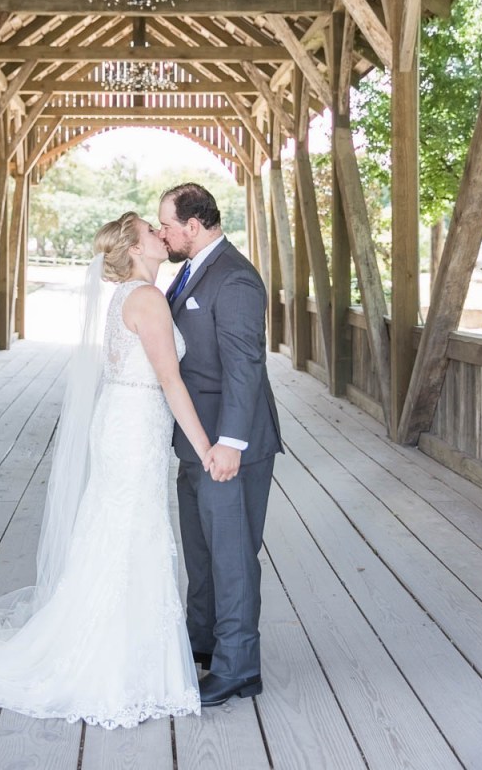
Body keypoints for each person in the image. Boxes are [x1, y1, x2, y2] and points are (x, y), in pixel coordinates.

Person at [0, 212, 214, 730]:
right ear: (135, 248)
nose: (161, 234)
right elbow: (171, 381)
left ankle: (121, 650)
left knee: (117, 530)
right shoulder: (147, 299)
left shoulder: (125, 296)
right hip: (134, 427)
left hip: (123, 420)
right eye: (151, 230)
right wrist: (206, 448)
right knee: (134, 532)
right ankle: (119, 667)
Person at [158, 182, 284, 708]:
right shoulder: (190, 270)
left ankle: (238, 667)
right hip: (195, 443)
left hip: (228, 447)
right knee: (201, 550)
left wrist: (230, 443)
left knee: (232, 556)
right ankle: (203, 642)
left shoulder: (234, 278)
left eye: (166, 225)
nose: (162, 233)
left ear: (193, 225)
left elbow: (244, 366)